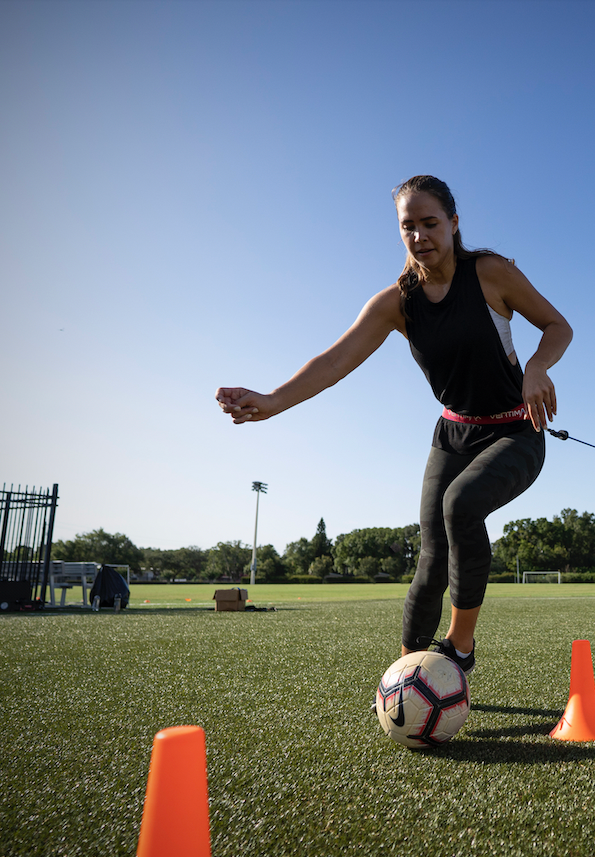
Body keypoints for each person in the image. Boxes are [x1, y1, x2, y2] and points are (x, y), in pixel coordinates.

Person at [216, 175, 572, 677]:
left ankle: (460, 649)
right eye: (409, 226)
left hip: (517, 430)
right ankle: (408, 675)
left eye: (430, 223)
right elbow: (335, 360)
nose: (420, 235)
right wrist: (272, 401)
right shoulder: (396, 303)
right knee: (430, 558)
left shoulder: (491, 273)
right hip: (453, 434)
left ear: (452, 222)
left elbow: (559, 326)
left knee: (461, 506)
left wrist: (538, 368)